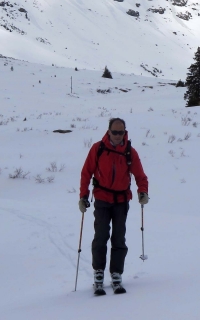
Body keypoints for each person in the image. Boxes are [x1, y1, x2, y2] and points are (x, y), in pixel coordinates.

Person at [79, 117, 149, 295]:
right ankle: (99, 273)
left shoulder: (129, 152)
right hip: (102, 199)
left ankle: (116, 274)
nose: (118, 135)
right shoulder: (98, 148)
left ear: (125, 132)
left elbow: (140, 176)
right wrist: (83, 196)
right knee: (101, 236)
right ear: (108, 131)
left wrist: (143, 192)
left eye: (121, 132)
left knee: (119, 238)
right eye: (115, 132)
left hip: (121, 200)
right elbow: (86, 173)